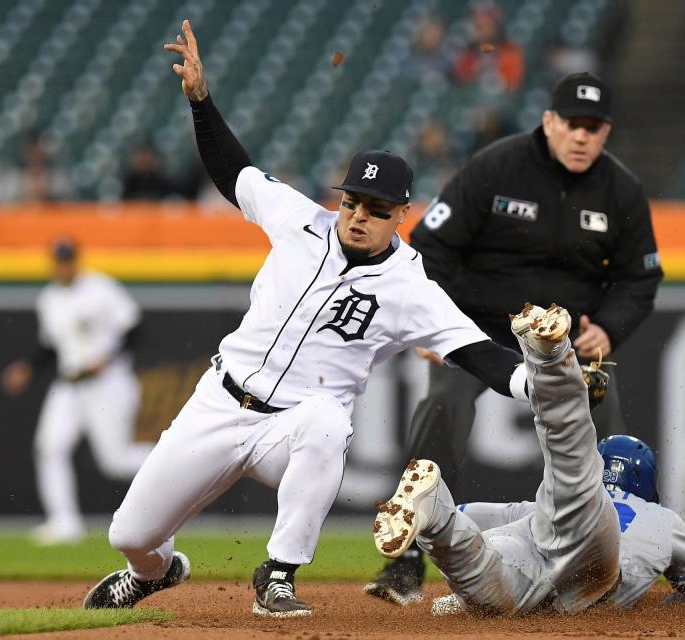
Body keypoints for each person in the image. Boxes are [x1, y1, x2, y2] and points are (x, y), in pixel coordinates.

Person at [82, 19, 532, 619]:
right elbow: (233, 172)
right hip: (221, 400)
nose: (357, 216)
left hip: (294, 426)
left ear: (401, 213)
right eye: (351, 201)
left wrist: (541, 381)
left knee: (326, 421)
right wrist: (200, 103)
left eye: (375, 209)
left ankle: (278, 572)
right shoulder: (299, 220)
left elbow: (475, 350)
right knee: (130, 535)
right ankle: (156, 572)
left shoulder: (408, 285)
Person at [365, 71, 663, 604]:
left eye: (594, 128)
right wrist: (433, 321)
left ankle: (617, 556)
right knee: (444, 404)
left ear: (606, 133)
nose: (581, 137)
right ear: (549, 121)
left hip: (560, 339)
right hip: (478, 330)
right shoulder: (496, 166)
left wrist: (610, 328)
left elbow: (640, 277)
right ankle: (407, 560)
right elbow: (430, 248)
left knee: (608, 423)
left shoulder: (621, 191)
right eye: (573, 124)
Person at [373, 302, 621, 616]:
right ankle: (438, 522)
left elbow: (477, 514)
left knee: (569, 459)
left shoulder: (527, 513)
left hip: (523, 546)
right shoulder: (649, 522)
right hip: (592, 545)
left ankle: (435, 519)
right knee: (570, 463)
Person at [431, 434, 685, 614]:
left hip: (544, 565)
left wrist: (448, 514)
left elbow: (485, 512)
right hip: (593, 593)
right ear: (643, 480)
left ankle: (438, 523)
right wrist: (651, 612)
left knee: (514, 554)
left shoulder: (568, 506)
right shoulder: (664, 520)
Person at [1, 238, 150, 545]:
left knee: (116, 461)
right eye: (58, 261)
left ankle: (181, 460)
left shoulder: (100, 288)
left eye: (67, 260)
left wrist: (106, 360)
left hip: (107, 383)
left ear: (76, 261)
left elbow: (134, 329)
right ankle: (64, 523)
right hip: (69, 385)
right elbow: (50, 345)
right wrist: (28, 367)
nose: (62, 266)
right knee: (50, 447)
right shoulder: (49, 298)